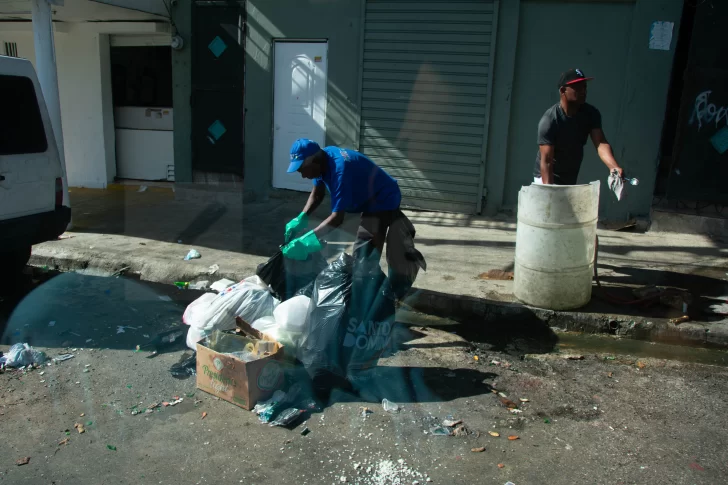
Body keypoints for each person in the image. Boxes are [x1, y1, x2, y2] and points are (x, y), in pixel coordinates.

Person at [534, 68, 623, 185]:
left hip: (569, 177)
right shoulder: (550, 120)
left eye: (584, 87)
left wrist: (613, 166)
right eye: (577, 87)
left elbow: (600, 143)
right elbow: (547, 161)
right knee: (551, 203)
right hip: (547, 177)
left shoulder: (591, 113)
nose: (583, 91)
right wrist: (549, 192)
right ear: (563, 91)